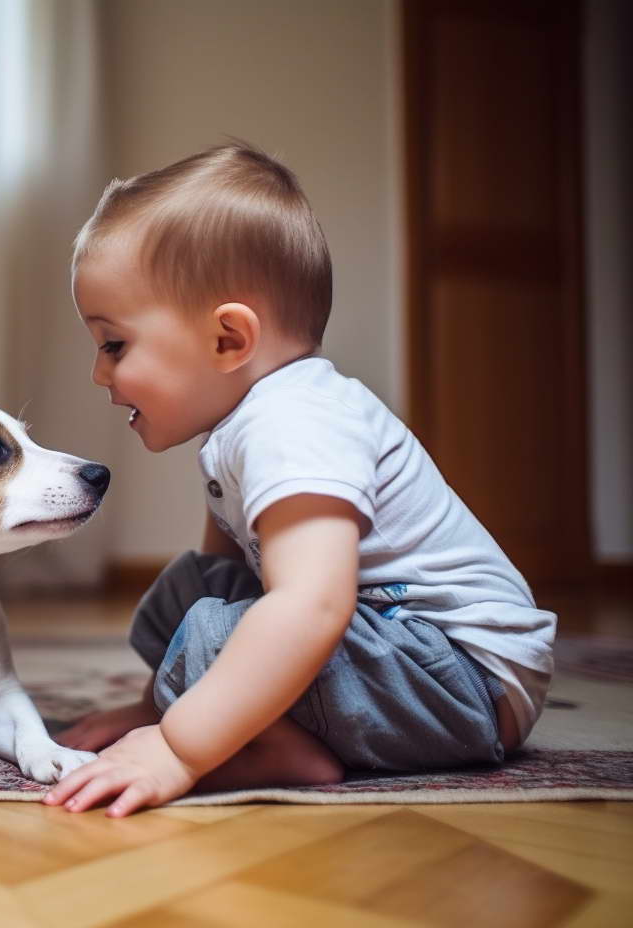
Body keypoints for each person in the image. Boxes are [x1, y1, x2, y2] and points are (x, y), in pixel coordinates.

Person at [44, 141, 556, 818]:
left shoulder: (295, 422)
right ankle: (252, 726)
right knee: (191, 591)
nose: (100, 373)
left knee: (216, 628)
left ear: (229, 339)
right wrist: (153, 705)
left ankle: (281, 750)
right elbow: (229, 570)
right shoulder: (239, 429)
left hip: (464, 680)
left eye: (114, 344)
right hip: (397, 653)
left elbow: (312, 605)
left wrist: (179, 745)